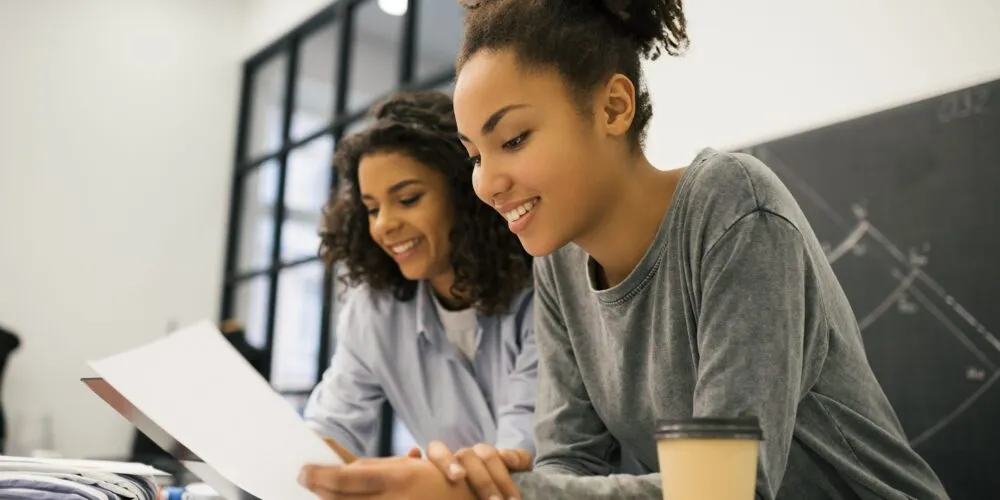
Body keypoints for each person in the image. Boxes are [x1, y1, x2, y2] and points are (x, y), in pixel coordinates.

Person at [297, 1, 951, 499]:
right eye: (473, 154)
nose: (487, 182)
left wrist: (483, 493)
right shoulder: (556, 264)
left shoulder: (733, 205)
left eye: (514, 138)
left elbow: (725, 489)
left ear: (613, 107)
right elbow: (565, 467)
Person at [301, 91, 537, 466]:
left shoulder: (543, 293)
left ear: (466, 194)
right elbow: (330, 427)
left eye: (408, 199)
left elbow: (524, 454)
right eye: (371, 208)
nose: (384, 225)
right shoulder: (375, 311)